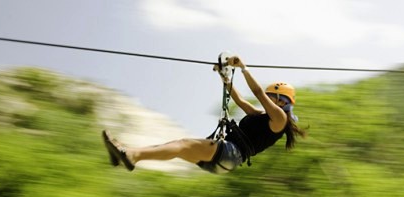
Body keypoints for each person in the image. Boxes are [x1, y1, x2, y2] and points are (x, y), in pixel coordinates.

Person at [102, 56, 306, 173]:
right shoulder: (262, 115)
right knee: (179, 147)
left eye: (275, 97)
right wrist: (224, 77)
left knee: (182, 145)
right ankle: (128, 154)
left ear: (284, 102)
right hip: (226, 160)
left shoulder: (280, 120)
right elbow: (241, 101)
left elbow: (257, 93)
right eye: (270, 96)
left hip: (230, 153)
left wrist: (243, 68)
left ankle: (130, 155)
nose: (269, 99)